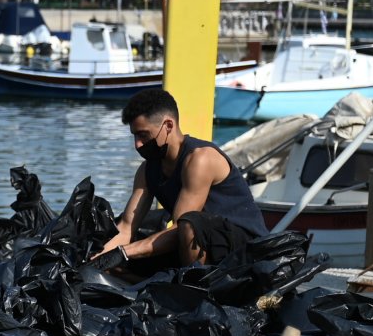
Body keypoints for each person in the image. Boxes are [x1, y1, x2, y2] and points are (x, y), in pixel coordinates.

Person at [100, 87, 268, 268]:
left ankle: (193, 288)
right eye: (134, 136)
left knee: (189, 223)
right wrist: (97, 259)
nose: (137, 144)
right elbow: (126, 228)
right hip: (197, 245)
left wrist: (125, 252)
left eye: (143, 135)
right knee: (113, 266)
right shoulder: (146, 170)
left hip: (244, 249)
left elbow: (180, 228)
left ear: (168, 126)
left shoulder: (201, 158)